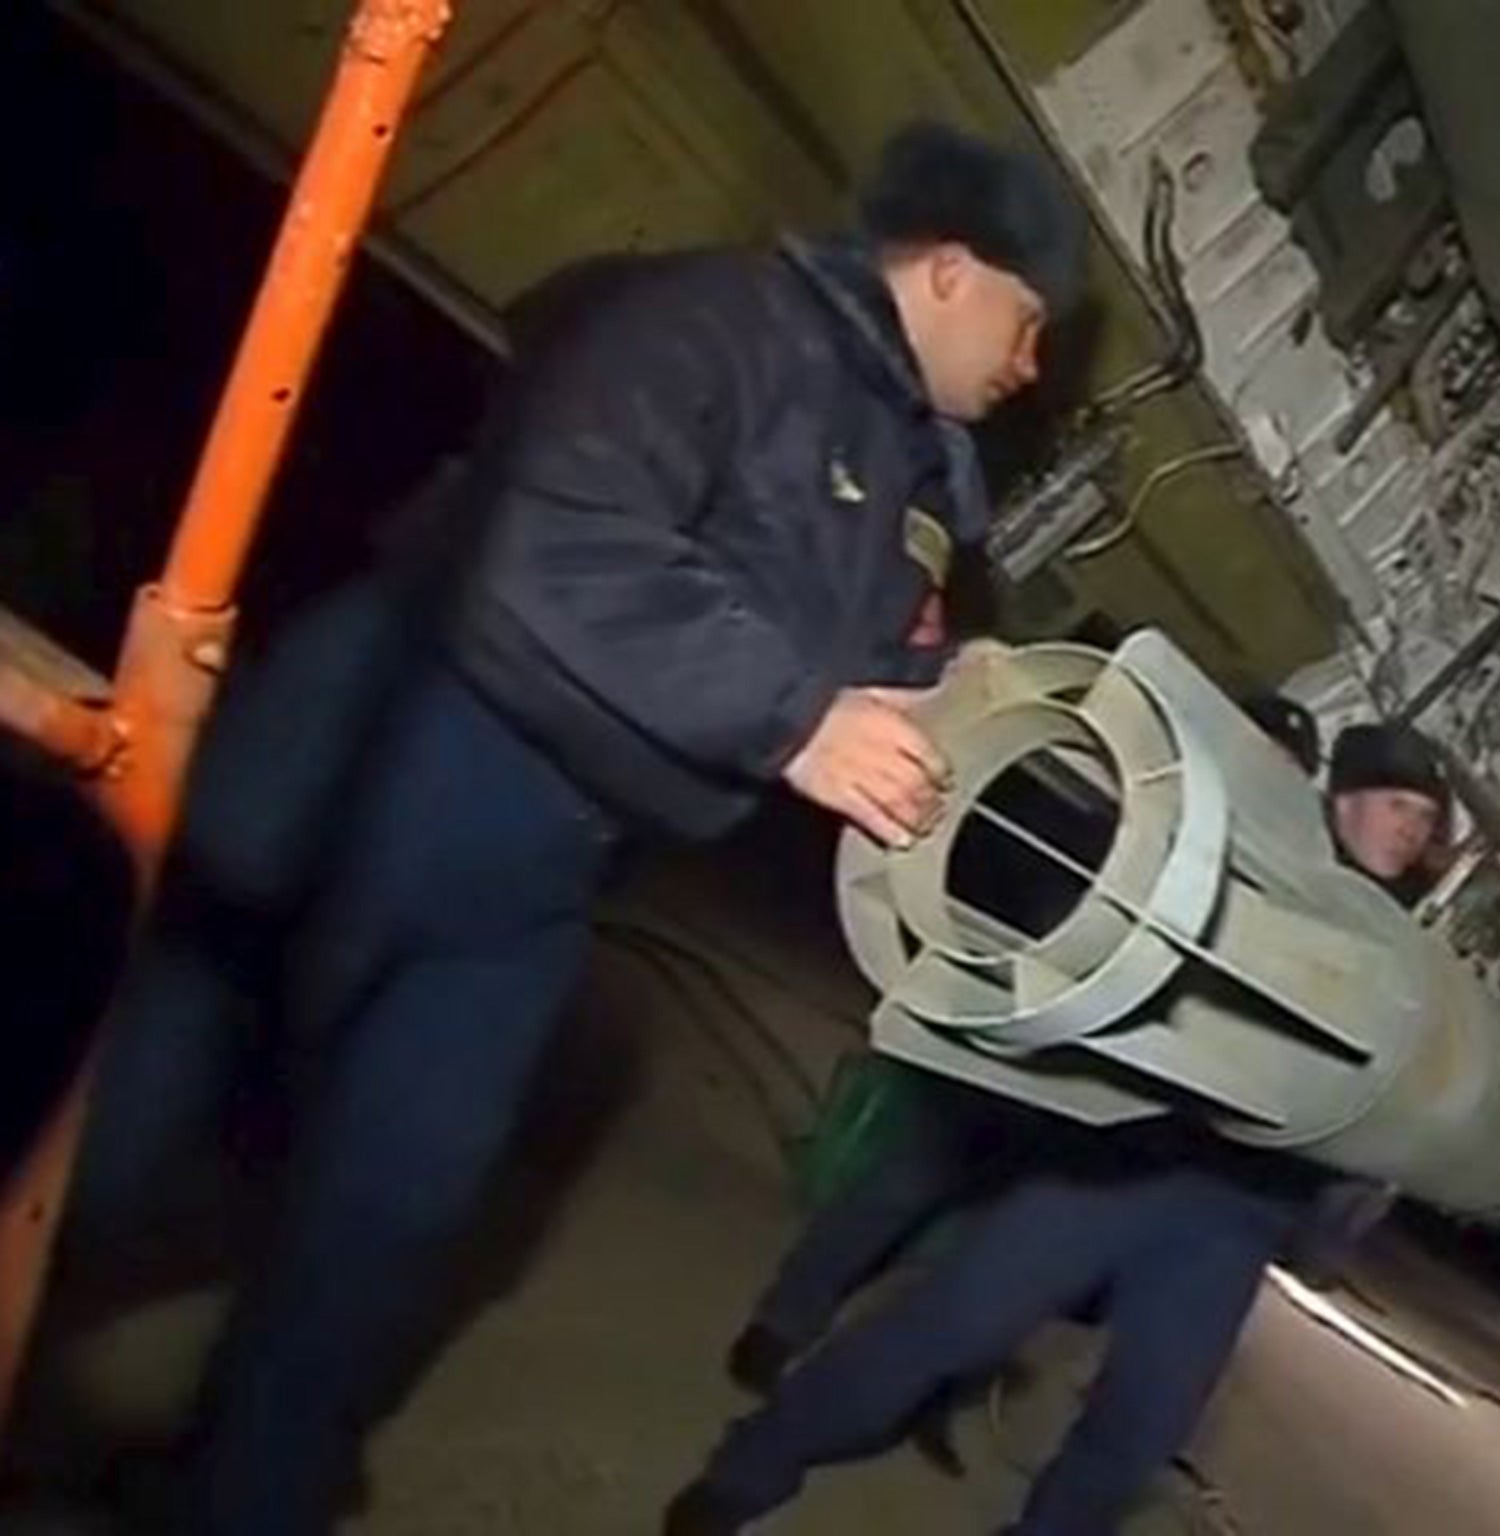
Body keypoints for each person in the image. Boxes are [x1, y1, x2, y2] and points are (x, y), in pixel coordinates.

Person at [67, 118, 1083, 1535]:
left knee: (397, 1201)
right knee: (121, 1117)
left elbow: (819, 650)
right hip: (403, 741)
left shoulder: (891, 471)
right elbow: (558, 540)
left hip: (552, 851)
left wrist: (944, 702)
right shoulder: (725, 321)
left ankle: (242, 1493)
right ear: (956, 272)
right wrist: (796, 718)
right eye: (1031, 325)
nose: (1031, 367)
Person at [665, 720, 1446, 1536]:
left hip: (1243, 1216)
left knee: (1147, 1423)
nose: (1411, 829)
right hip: (1135, 1161)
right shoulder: (1259, 866)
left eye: (1424, 820)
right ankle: (751, 1466)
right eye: (1399, 805)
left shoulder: (1398, 951)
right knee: (949, 1329)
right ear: (1344, 800)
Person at [1325, 719, 1450, 906]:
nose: (1410, 832)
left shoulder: (1425, 900)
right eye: (1398, 806)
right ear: (1346, 804)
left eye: (1427, 816)